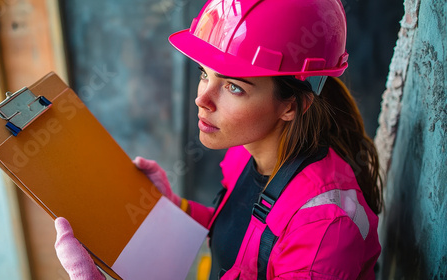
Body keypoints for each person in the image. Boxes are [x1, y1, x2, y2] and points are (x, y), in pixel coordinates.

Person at [54, 0, 384, 279]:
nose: (203, 99)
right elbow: (240, 236)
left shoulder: (324, 231)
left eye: (233, 87)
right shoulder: (246, 152)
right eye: (204, 74)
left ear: (291, 105)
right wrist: (172, 207)